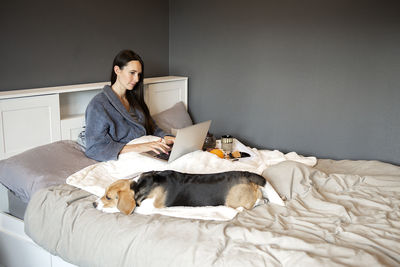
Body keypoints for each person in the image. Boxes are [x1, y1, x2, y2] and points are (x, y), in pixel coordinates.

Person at [84, 49, 174, 161]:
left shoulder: (134, 99)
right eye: (132, 73)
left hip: (149, 151)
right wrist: (138, 147)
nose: (136, 79)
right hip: (129, 156)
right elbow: (94, 148)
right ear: (117, 70)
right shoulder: (98, 105)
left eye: (139, 74)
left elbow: (152, 127)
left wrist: (166, 137)